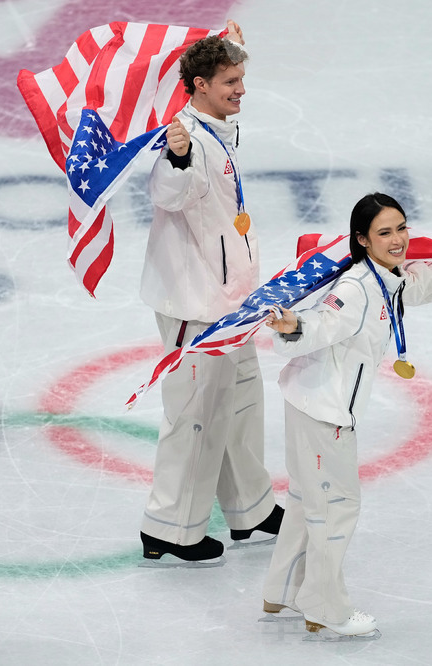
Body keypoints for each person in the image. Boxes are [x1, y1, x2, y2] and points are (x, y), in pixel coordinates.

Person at [261, 193, 432, 636]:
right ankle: (325, 608)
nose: (398, 240)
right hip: (324, 412)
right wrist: (293, 326)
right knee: (336, 507)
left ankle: (284, 592)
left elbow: (423, 285)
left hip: (310, 402)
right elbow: (322, 324)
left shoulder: (388, 276)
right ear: (362, 240)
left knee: (306, 501)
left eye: (401, 228)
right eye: (385, 232)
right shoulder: (357, 288)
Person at [139, 20, 283, 565]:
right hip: (194, 302)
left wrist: (231, 41)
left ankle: (250, 507)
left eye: (242, 78)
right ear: (200, 85)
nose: (241, 89)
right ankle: (169, 527)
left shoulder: (215, 123)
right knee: (195, 412)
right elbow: (169, 192)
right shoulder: (188, 138)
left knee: (242, 399)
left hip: (230, 296)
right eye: (230, 81)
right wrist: (175, 156)